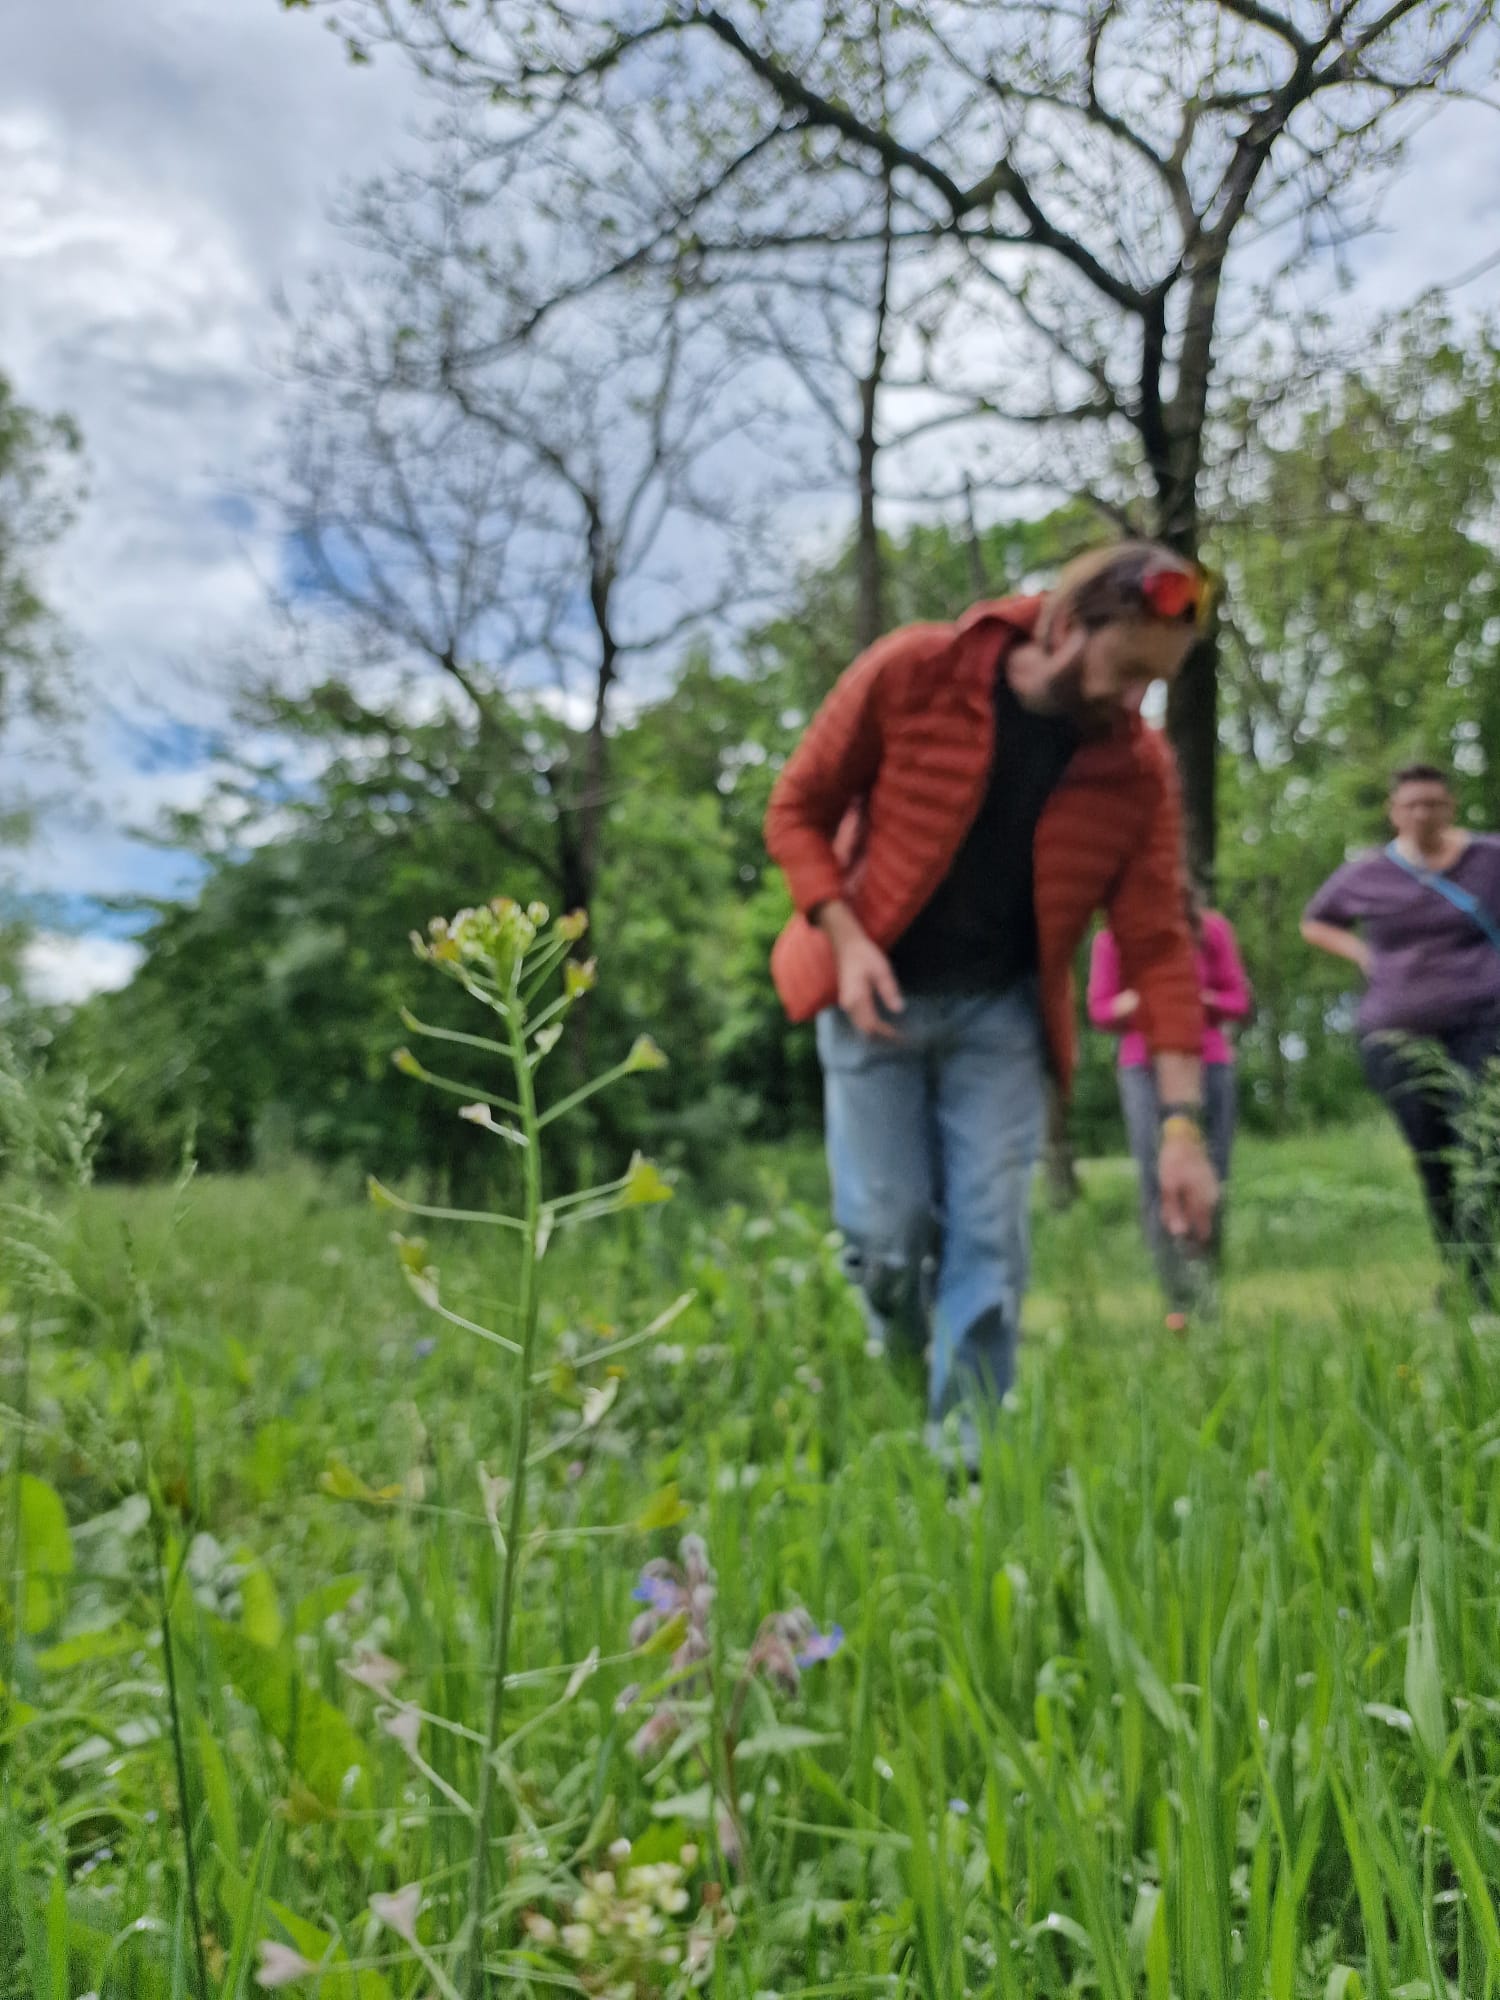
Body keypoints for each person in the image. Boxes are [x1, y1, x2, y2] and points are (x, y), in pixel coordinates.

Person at [764, 540, 1220, 1462]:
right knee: (887, 1242)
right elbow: (796, 809)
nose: (1134, 700)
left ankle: (963, 1462)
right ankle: (904, 1376)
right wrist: (846, 943)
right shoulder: (916, 670)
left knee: (988, 1237)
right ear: (1071, 620)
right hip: (871, 996)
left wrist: (1180, 1125)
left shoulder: (1136, 770)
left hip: (999, 1018)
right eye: (1127, 669)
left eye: (1154, 684)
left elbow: (1159, 945)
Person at [1302, 764, 1500, 1311]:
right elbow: (1315, 920)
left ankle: (1476, 1273)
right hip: (1396, 1031)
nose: (1422, 814)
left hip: (1483, 1021)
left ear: (1451, 806)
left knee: (1482, 1145)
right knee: (1434, 1155)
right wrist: (1363, 954)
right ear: (1395, 812)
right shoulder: (1368, 873)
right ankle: (1466, 1277)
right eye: (1411, 805)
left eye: (1433, 803)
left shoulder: (1488, 858)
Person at [1089, 887, 1251, 1331]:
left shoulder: (1212, 929)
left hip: (1210, 1062)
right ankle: (1177, 1300)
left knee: (1212, 1175)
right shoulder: (1111, 939)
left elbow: (1238, 1000)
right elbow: (1100, 1009)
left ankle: (1208, 1293)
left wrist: (1195, 1003)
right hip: (1142, 1067)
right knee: (1154, 1180)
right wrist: (1142, 1002)